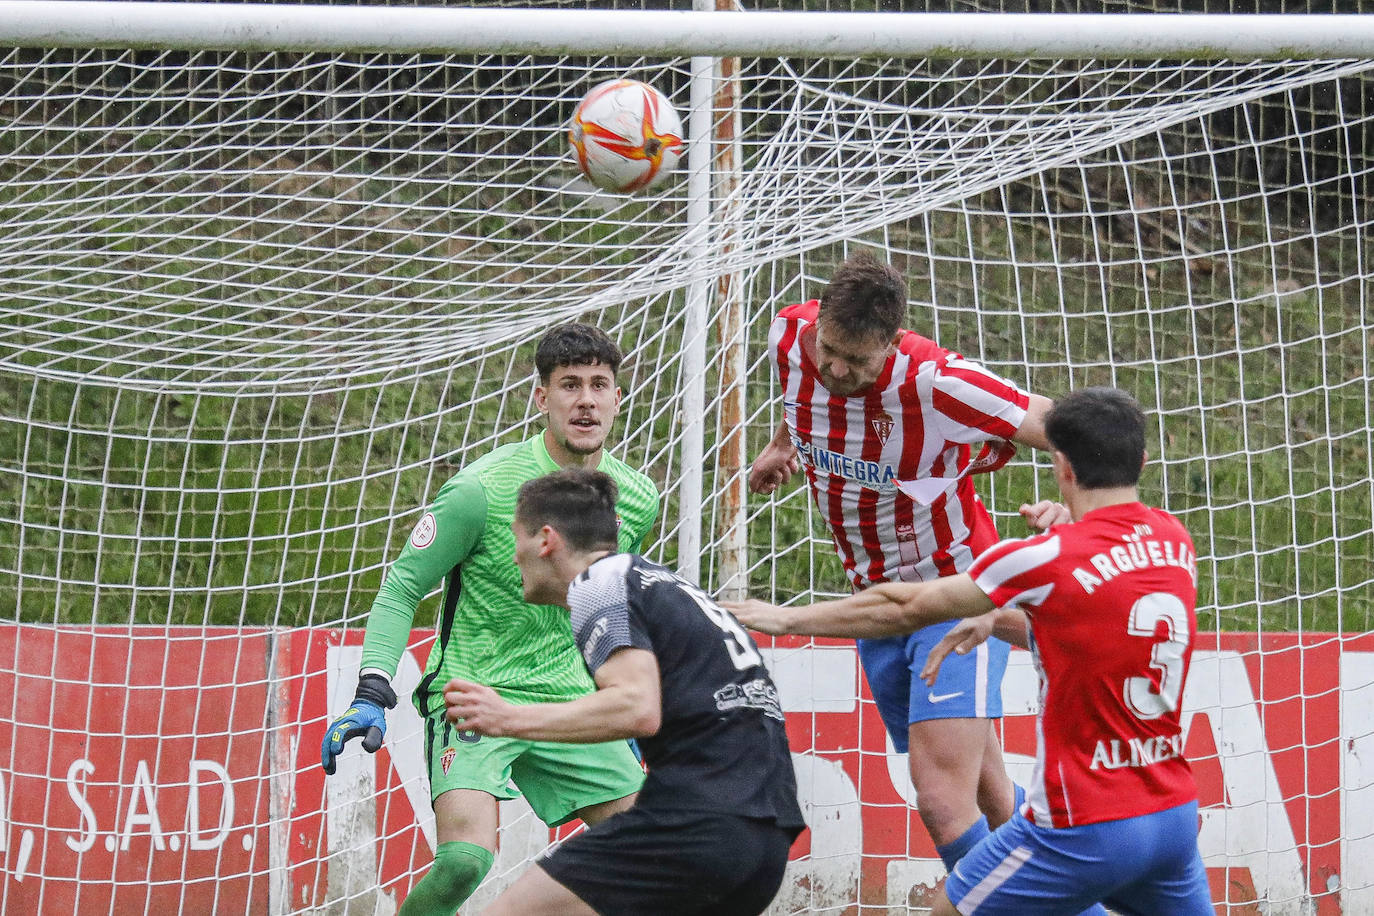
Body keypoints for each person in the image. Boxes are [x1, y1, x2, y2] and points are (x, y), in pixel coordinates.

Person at [729, 387, 1211, 915]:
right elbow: (1088, 625)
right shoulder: (1174, 539)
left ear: (1063, 467)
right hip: (1172, 815)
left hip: (1082, 822)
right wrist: (998, 616)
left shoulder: (1043, 556)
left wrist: (785, 617)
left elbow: (906, 606)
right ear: (1141, 460)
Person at [320, 324, 659, 916]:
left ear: (616, 397)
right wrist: (373, 688)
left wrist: (618, 696)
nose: (586, 399)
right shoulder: (480, 490)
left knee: (651, 859)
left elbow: (608, 605)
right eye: (569, 385)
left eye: (599, 385)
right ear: (541, 397)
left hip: (566, 698)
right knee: (462, 863)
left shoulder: (635, 497)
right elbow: (403, 586)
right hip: (474, 694)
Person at [748, 249, 1065, 871]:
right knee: (991, 795)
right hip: (878, 607)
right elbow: (798, 395)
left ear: (893, 342)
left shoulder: (938, 382)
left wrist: (1074, 509)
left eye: (856, 361)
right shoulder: (790, 333)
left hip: (958, 594)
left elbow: (1063, 423)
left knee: (943, 803)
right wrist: (781, 446)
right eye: (828, 350)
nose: (835, 368)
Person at [444, 468, 806, 916]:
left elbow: (637, 707)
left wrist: (507, 718)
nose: (514, 557)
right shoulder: (668, 586)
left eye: (515, 538)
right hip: (763, 842)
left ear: (545, 540)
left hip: (693, 827)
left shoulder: (600, 582)